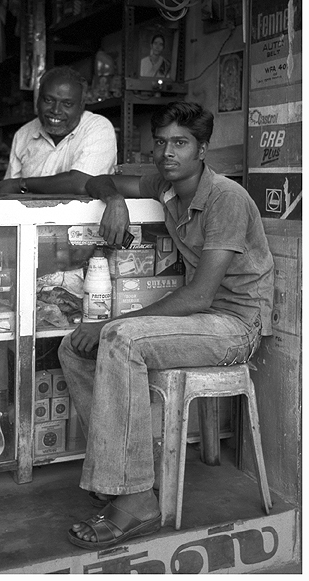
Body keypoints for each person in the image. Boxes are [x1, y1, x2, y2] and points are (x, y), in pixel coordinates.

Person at [58, 101, 274, 550]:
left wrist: (112, 323)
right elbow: (92, 179)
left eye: (180, 143)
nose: (167, 153)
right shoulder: (167, 185)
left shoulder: (226, 198)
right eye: (160, 143)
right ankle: (125, 473)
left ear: (202, 150)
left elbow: (199, 296)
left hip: (236, 327)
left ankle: (137, 501)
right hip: (203, 320)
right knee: (73, 347)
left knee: (118, 338)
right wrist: (113, 198)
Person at [0, 66, 117, 195]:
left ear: (81, 106)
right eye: (48, 100)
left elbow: (82, 183)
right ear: (37, 100)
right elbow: (8, 191)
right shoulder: (24, 134)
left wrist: (21, 184)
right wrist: (14, 186)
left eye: (67, 104)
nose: (56, 110)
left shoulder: (98, 128)